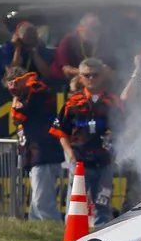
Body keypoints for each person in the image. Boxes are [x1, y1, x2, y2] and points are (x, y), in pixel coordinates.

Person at [50, 57, 125, 227]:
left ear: (102, 76)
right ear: (81, 77)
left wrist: (116, 154)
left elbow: (123, 130)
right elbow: (61, 131)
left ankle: (102, 239)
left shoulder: (112, 102)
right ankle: (72, 239)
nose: (91, 79)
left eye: (95, 75)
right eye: (87, 75)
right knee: (76, 204)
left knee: (103, 204)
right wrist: (70, 155)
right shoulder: (73, 102)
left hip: (104, 161)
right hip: (79, 161)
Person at [3, 66, 65, 221]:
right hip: (35, 151)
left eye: (14, 85)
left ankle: (57, 234)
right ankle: (37, 233)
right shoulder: (31, 89)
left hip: (44, 150)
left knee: (43, 203)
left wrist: (15, 98)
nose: (13, 90)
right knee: (36, 204)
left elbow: (16, 117)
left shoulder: (35, 88)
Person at [51, 13, 118, 87]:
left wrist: (107, 72)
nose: (97, 33)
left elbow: (112, 70)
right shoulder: (68, 40)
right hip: (63, 84)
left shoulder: (104, 41)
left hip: (92, 82)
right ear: (80, 28)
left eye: (99, 29)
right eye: (93, 28)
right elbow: (67, 70)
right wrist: (89, 72)